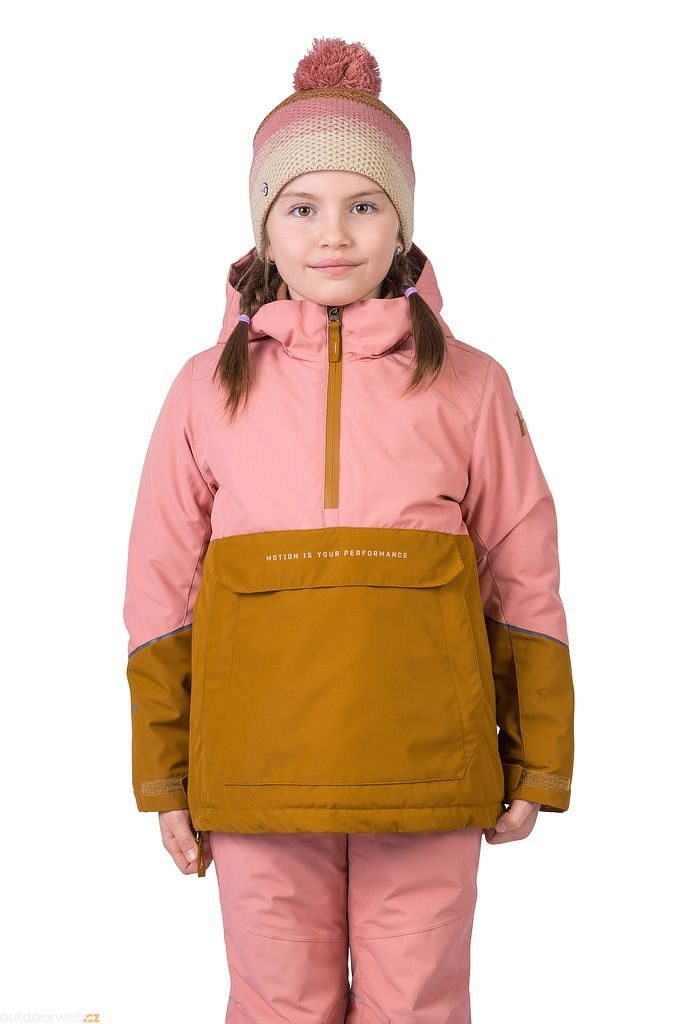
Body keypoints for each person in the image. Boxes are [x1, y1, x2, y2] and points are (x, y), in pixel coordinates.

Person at [123, 36, 575, 1023]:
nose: (333, 235)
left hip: (427, 771)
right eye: (302, 207)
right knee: (276, 1007)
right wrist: (165, 773)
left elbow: (523, 573)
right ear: (264, 227)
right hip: (257, 773)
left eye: (364, 205)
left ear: (401, 220)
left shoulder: (470, 384)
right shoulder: (203, 390)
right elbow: (159, 592)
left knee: (419, 1007)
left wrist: (537, 754)